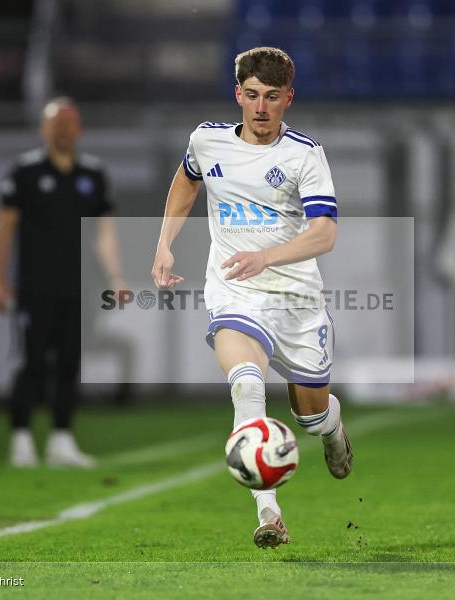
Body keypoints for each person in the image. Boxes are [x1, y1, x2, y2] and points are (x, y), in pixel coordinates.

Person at [151, 47, 353, 548]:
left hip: (296, 298)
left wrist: (269, 256)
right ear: (239, 93)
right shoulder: (207, 141)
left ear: (288, 98)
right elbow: (186, 182)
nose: (261, 108)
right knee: (245, 386)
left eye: (273, 97)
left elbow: (324, 234)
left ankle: (332, 428)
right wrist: (164, 243)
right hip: (235, 291)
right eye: (252, 95)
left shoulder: (304, 155)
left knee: (310, 415)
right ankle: (269, 513)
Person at [0, 97, 125, 468]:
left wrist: (115, 276)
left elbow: (105, 233)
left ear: (79, 129)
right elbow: (4, 226)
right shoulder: (25, 172)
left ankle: (61, 439)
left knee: (69, 362)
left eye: (70, 122)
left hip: (78, 288)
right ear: (44, 129)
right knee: (31, 361)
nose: (64, 129)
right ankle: (20, 439)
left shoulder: (93, 175)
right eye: (56, 123)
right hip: (33, 288)